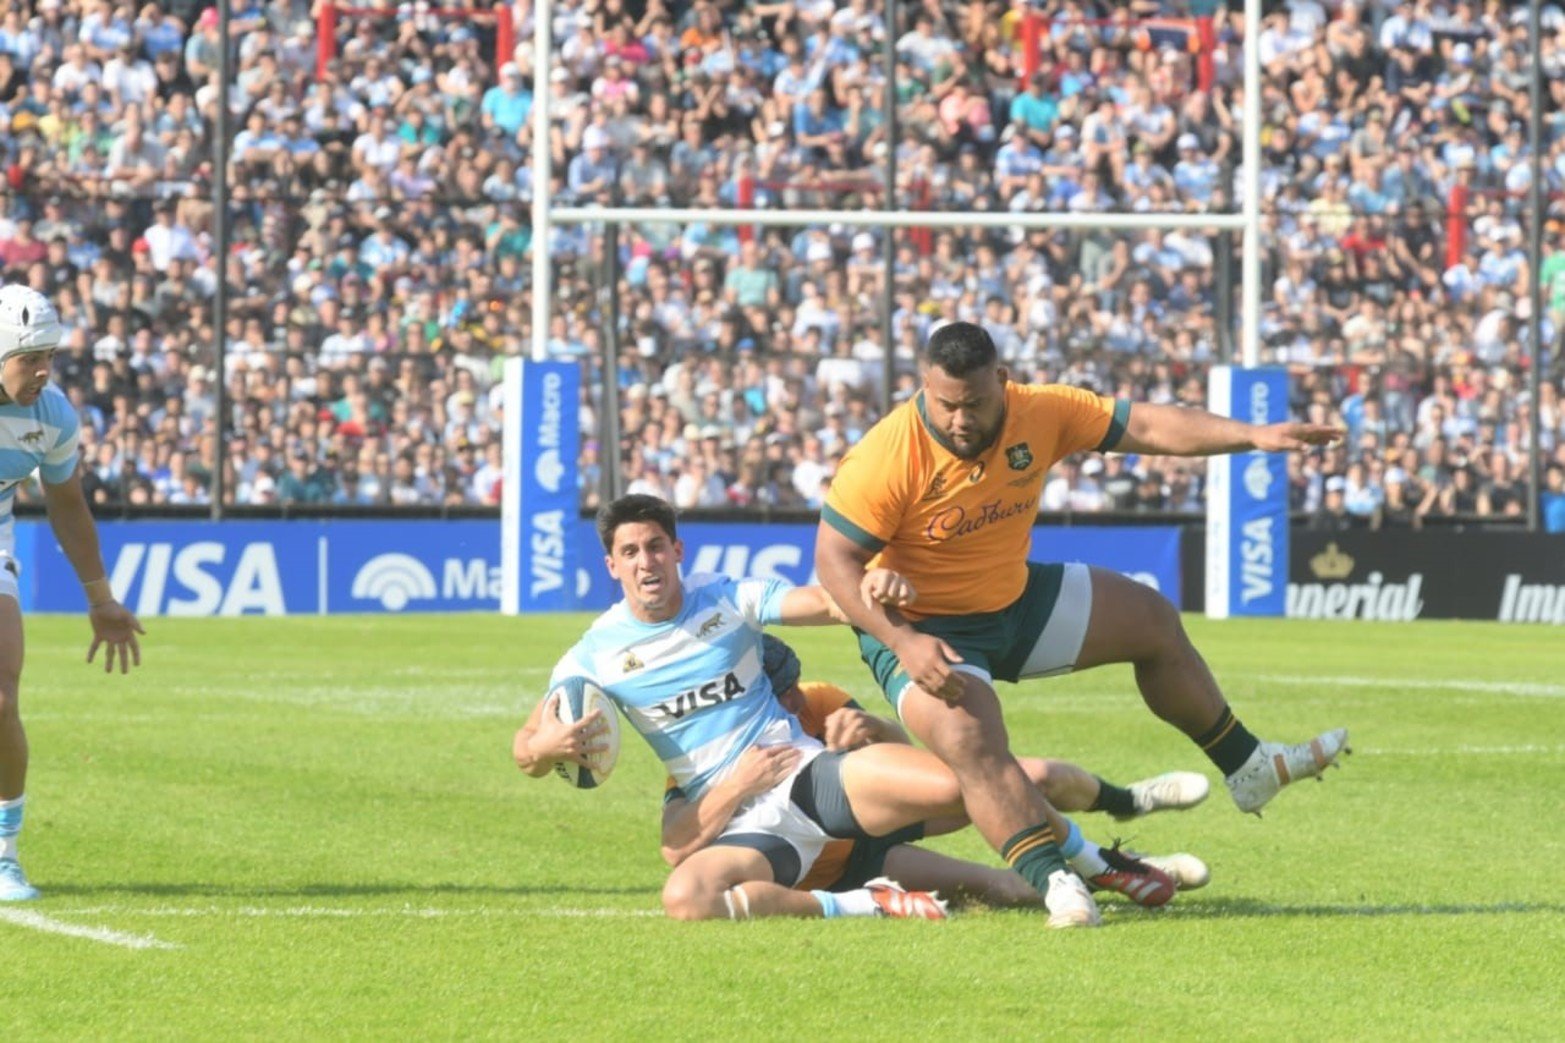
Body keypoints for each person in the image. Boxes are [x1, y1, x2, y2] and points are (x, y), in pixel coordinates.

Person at [814, 321, 1349, 926]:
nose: (960, 419)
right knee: (971, 744)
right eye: (946, 404)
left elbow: (1144, 425)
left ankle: (1248, 767)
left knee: (1150, 619)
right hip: (928, 629)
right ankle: (1057, 883)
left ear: (1004, 382)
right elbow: (833, 561)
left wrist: (1252, 435)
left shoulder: (1043, 411)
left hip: (1013, 599)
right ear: (925, 388)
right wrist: (901, 640)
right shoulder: (886, 454)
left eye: (975, 404)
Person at [512, 495, 1169, 924]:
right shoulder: (593, 653)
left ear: (676, 550)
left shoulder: (723, 596)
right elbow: (525, 745)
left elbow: (820, 601)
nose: (646, 560)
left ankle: (1097, 863)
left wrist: (868, 583)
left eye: (655, 545)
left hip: (807, 776)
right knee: (685, 897)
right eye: (630, 551)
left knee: (969, 782)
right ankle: (863, 904)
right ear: (611, 565)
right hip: (740, 822)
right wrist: (544, 749)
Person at [658, 633, 1211, 911]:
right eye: (776, 692)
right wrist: (737, 785)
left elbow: (909, 758)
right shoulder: (705, 749)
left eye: (791, 687)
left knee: (1029, 776)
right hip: (846, 867)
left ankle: (1126, 802)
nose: (790, 701)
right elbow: (679, 844)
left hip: (877, 820)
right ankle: (1114, 868)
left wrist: (875, 728)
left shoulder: (819, 699)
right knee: (1002, 886)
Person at [0, 285, 145, 901]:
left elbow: (66, 504)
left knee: (0, 702)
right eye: (30, 356)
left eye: (50, 357)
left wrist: (101, 597)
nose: (43, 371)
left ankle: (3, 855)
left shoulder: (51, 415)